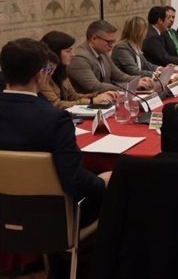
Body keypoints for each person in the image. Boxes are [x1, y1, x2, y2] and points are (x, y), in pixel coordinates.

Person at [0, 39, 109, 278]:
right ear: (41, 75)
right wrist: (103, 182)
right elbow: (74, 181)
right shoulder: (55, 120)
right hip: (53, 220)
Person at [67, 20, 152, 93]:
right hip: (89, 105)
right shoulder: (79, 58)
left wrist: (139, 80)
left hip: (107, 101)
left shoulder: (103, 52)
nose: (112, 46)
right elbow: (95, 86)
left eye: (113, 42)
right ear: (94, 39)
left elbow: (118, 75)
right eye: (109, 42)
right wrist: (129, 86)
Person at [40, 31, 115, 108]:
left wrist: (97, 96)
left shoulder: (61, 70)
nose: (73, 54)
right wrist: (91, 101)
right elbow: (56, 104)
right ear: (54, 52)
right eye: (68, 51)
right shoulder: (43, 75)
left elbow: (72, 96)